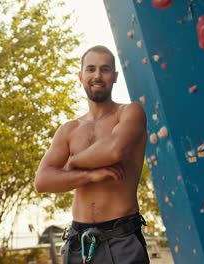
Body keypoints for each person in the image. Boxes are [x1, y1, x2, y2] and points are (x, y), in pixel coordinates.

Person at [34, 45, 149, 264]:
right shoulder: (69, 129)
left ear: (114, 77)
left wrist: (73, 162)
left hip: (121, 240)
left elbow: (115, 150)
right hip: (78, 244)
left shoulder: (130, 113)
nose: (97, 75)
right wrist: (90, 176)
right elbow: (42, 181)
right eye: (91, 69)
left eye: (105, 69)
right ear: (81, 76)